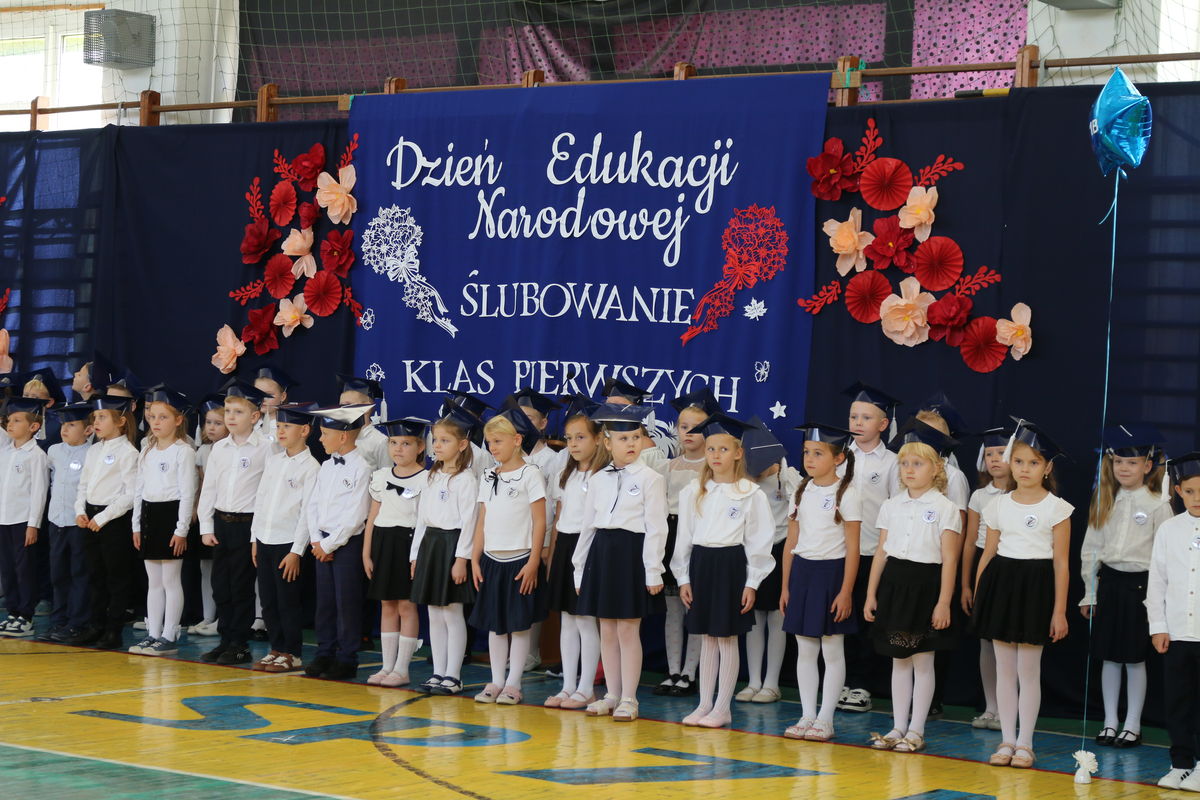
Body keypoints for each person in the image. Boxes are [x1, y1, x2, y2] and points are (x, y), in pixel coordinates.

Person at [972, 419, 1073, 769]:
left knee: (1028, 671)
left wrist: (1059, 611)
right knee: (1004, 669)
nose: (1025, 468)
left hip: (1037, 588)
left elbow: (1061, 564)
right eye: (1018, 461)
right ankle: (1006, 740)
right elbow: (988, 554)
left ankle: (1025, 743)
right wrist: (981, 595)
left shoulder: (1057, 508)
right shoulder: (998, 505)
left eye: (1033, 462)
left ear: (1047, 468)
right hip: (1002, 585)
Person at [864, 424, 962, 754]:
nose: (909, 470)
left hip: (926, 586)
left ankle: (917, 729)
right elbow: (882, 551)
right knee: (899, 660)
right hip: (895, 584)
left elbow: (950, 558)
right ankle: (897, 726)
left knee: (922, 660)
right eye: (904, 463)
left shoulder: (946, 508)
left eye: (917, 464)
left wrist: (944, 602)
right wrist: (871, 593)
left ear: (936, 468)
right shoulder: (892, 505)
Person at [673, 413, 773, 728]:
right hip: (701, 565)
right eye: (711, 449)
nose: (716, 455)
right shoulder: (694, 491)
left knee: (726, 637)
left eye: (724, 449)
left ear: (738, 453)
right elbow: (684, 537)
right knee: (707, 637)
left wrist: (752, 582)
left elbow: (760, 541)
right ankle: (705, 704)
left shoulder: (750, 493)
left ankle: (722, 708)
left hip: (731, 566)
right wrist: (683, 577)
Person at [573, 402, 668, 722]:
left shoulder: (651, 478)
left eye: (636, 438)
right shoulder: (598, 478)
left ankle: (629, 698)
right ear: (607, 442)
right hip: (603, 554)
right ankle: (611, 695)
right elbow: (588, 526)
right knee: (608, 630)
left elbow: (657, 527)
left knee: (628, 629)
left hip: (632, 555)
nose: (631, 444)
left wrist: (653, 570)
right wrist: (579, 570)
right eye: (623, 439)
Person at [1079, 424, 1173, 748]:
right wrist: (1090, 592)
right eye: (1118, 461)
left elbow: (1164, 555)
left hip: (1141, 588)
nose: (1123, 468)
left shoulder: (1159, 504)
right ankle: (1110, 721)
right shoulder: (1105, 499)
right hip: (1110, 583)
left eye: (1132, 463)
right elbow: (1091, 549)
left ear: (1147, 466)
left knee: (1134, 658)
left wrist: (1160, 601)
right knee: (1109, 656)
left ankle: (1133, 724)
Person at [781, 423, 861, 741]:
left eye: (818, 453)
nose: (810, 459)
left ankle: (826, 718)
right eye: (806, 452)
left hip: (832, 575)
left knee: (832, 648)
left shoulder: (847, 494)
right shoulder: (801, 491)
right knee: (805, 648)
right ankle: (807, 715)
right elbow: (791, 542)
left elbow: (853, 548)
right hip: (803, 573)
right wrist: (786, 586)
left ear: (838, 458)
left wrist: (846, 591)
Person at [469, 410, 549, 704]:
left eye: (498, 441)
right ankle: (496, 681)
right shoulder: (488, 475)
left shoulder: (531, 474)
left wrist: (533, 561)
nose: (493, 447)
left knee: (519, 624)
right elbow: (482, 519)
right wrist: (475, 558)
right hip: (492, 560)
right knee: (496, 625)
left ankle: (514, 684)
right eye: (489, 442)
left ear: (516, 440)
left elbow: (539, 521)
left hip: (520, 561)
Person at [197, 381, 272, 665]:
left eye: (238, 412)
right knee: (221, 585)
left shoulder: (265, 448)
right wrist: (206, 527)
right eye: (228, 411)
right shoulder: (219, 448)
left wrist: (256, 533)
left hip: (247, 524)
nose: (230, 417)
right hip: (221, 523)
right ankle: (225, 639)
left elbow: (266, 494)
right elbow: (209, 489)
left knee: (241, 586)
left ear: (255, 416)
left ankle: (240, 643)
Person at [838, 381, 901, 714]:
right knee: (839, 619)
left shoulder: (892, 462)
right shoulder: (838, 456)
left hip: (873, 553)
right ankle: (839, 681)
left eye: (866, 417)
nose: (858, 423)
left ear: (883, 424)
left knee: (866, 621)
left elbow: (897, 508)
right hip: (838, 551)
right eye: (854, 416)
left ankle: (861, 685)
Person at [410, 405, 481, 696]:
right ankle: (438, 672)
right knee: (434, 613)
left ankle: (453, 675)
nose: (437, 445)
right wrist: (415, 554)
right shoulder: (431, 476)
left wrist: (461, 558)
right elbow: (422, 519)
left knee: (452, 612)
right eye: (435, 440)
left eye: (445, 440)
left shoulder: (466, 480)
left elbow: (469, 522)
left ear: (462, 445)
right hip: (431, 545)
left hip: (452, 546)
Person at [303, 404, 373, 680]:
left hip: (346, 545)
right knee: (326, 602)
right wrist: (316, 540)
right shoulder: (326, 467)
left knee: (347, 603)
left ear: (343, 437)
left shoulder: (362, 468)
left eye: (324, 434)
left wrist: (329, 545)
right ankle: (325, 652)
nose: (320, 439)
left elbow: (356, 514)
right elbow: (313, 505)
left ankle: (346, 657)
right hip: (321, 543)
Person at [544, 397, 606, 709]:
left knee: (585, 619)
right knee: (567, 619)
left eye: (581, 437)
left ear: (598, 439)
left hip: (590, 547)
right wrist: (553, 553)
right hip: (566, 546)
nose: (573, 444)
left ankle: (586, 687)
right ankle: (568, 685)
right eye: (569, 438)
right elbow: (559, 518)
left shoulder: (604, 475)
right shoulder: (565, 474)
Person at [658, 388, 719, 697]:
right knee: (672, 610)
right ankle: (672, 670)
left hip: (697, 537)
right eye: (684, 427)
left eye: (697, 428)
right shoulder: (668, 467)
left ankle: (690, 672)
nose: (689, 433)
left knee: (693, 606)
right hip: (671, 536)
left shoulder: (711, 469)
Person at [250, 402, 319, 673]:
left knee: (287, 600)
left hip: (287, 543)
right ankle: (276, 649)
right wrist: (255, 538)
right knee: (268, 600)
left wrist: (296, 551)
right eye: (278, 426)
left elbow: (307, 512)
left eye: (287, 426)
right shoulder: (274, 460)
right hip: (265, 539)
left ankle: (293, 652)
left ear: (304, 430)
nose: (280, 431)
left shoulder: (311, 467)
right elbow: (261, 500)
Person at [1146, 452, 1200, 791]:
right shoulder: (1169, 529)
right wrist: (1158, 626)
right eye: (1190, 491)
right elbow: (1157, 580)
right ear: (1178, 491)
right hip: (1178, 632)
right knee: (1178, 701)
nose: (1197, 498)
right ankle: (1181, 763)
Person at [129, 386, 196, 656]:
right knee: (153, 581)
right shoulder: (147, 451)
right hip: (149, 515)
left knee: (170, 580)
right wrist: (136, 525)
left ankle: (169, 634)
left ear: (178, 420)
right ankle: (153, 633)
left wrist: (181, 530)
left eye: (163, 417)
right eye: (152, 417)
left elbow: (187, 493)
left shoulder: (184, 451)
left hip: (171, 516)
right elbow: (139, 490)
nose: (155, 422)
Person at [364, 417, 428, 686]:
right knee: (386, 604)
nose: (398, 449)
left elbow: (424, 519)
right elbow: (373, 515)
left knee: (406, 605)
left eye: (406, 443)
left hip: (408, 542)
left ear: (420, 447)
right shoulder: (380, 476)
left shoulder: (426, 479)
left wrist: (416, 556)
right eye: (393, 443)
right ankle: (386, 666)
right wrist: (366, 552)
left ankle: (402, 669)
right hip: (383, 541)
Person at [739, 417, 797, 705]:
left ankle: (772, 683)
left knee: (776, 617)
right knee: (753, 618)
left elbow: (800, 502)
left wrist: (782, 475)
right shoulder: (746, 480)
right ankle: (753, 681)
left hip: (780, 548)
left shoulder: (789, 476)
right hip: (753, 551)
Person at [75, 395, 140, 649]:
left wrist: (103, 517)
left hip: (113, 520)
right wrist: (80, 510)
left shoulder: (128, 452)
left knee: (116, 577)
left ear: (120, 421)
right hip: (90, 518)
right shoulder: (93, 450)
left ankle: (113, 631)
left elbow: (131, 494)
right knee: (95, 575)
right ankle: (96, 625)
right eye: (95, 417)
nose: (96, 422)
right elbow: (83, 484)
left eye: (102, 417)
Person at [961, 426, 1014, 730]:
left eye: (1001, 453)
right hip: (985, 566)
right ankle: (991, 707)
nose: (995, 459)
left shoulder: (1023, 494)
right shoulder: (980, 495)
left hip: (1014, 564)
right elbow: (970, 542)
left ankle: (1009, 709)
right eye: (990, 454)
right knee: (987, 642)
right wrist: (966, 584)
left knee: (1009, 641)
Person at [0, 397, 50, 637]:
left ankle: (26, 615)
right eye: (9, 420)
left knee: (24, 569)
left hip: (22, 521)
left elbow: (39, 492)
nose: (10, 424)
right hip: (4, 519)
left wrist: (33, 524)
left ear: (33, 427)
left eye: (17, 420)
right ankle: (12, 612)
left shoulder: (36, 455)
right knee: (7, 568)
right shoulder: (5, 452)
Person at [45, 402, 92, 643]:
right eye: (64, 424)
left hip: (78, 523)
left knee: (79, 573)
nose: (65, 429)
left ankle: (77, 622)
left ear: (88, 430)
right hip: (56, 520)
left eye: (72, 425)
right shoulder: (54, 451)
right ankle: (58, 621)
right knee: (58, 573)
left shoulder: (92, 453)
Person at [186, 393, 227, 637]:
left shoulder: (230, 450)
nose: (211, 427)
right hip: (206, 516)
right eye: (208, 422)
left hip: (226, 513)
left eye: (217, 423)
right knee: (206, 567)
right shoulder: (203, 451)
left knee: (224, 569)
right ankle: (208, 616)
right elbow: (201, 486)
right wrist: (196, 510)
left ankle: (223, 617)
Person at [337, 374, 390, 472]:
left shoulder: (380, 441)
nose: (343, 410)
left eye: (348, 405)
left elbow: (386, 476)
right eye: (341, 406)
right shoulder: (339, 437)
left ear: (366, 407)